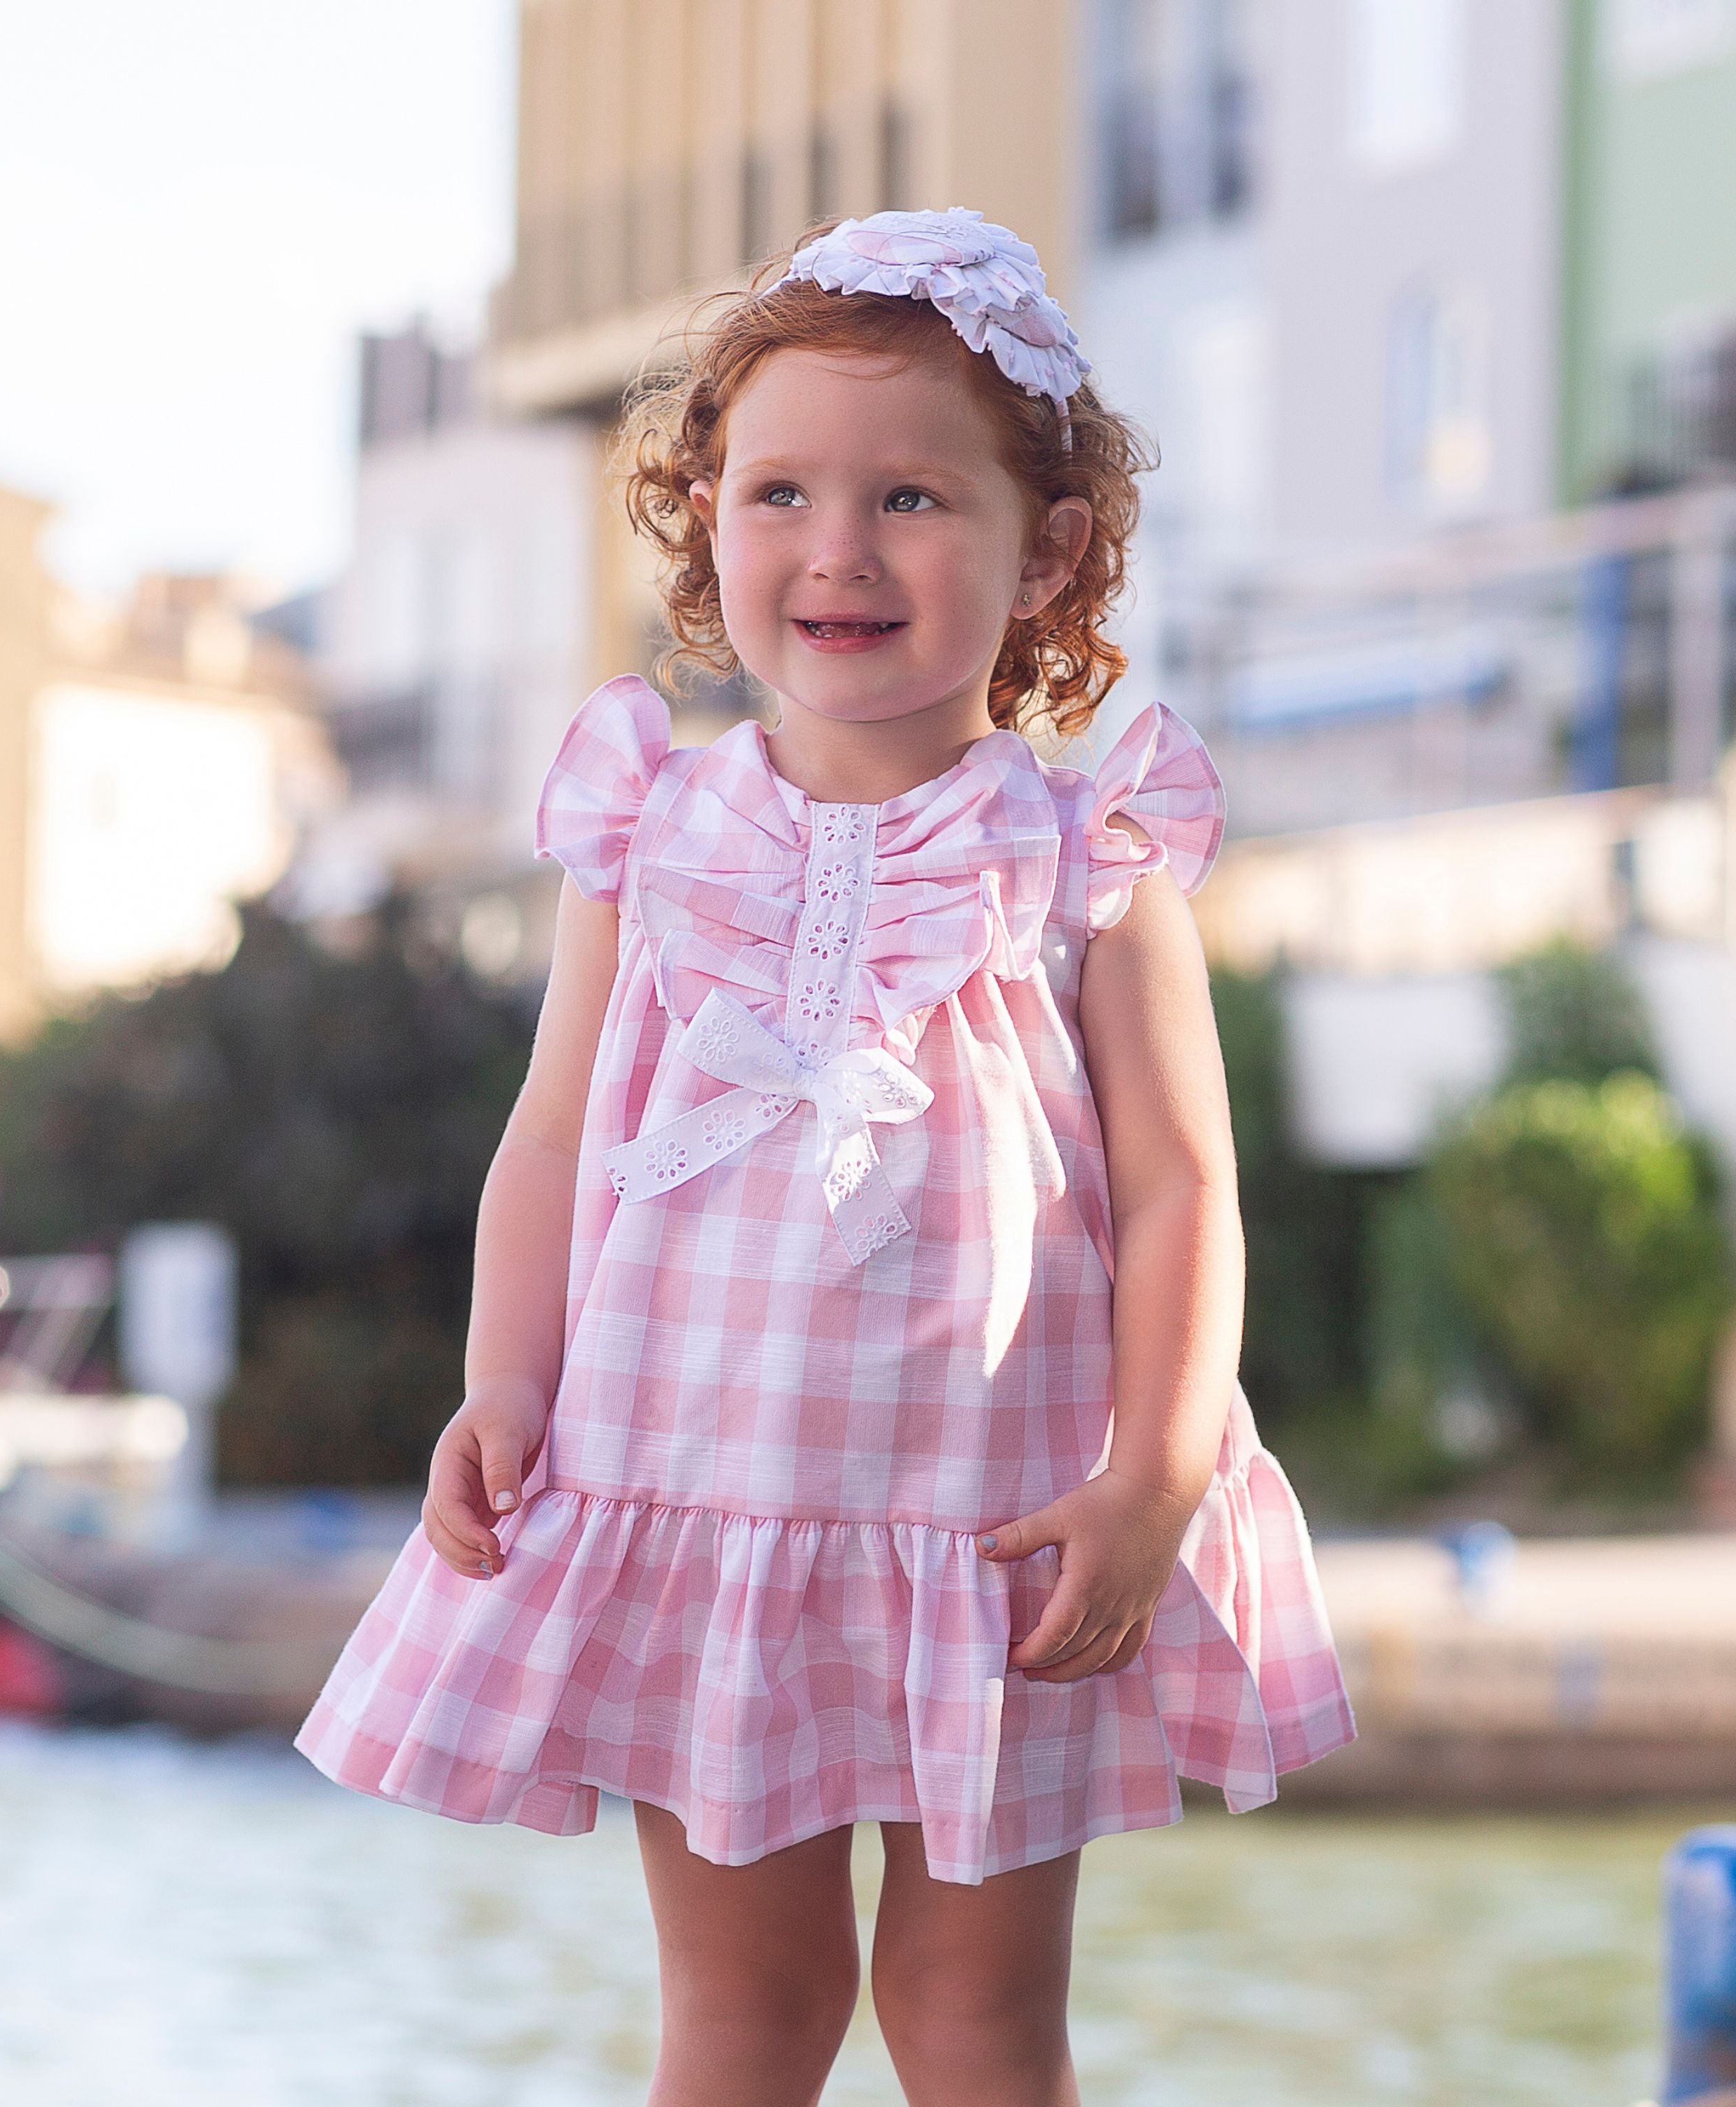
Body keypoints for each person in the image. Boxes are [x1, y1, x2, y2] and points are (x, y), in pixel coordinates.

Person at [298, 206, 1355, 2107]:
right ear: (706, 519)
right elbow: (556, 1135)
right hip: (698, 1507)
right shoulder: (650, 833)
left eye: (914, 501)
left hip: (999, 1528)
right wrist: (500, 1379)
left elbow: (1187, 1183)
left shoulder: (1084, 861)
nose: (840, 549)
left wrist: (1160, 1471)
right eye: (780, 489)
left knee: (973, 2020)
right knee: (744, 2018)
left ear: (1053, 553)